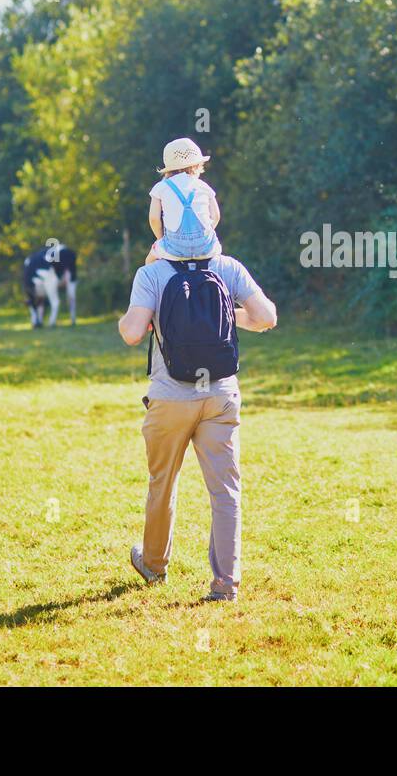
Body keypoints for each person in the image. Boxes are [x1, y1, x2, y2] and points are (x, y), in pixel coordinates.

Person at [117, 247, 277, 602]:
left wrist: (132, 317)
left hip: (171, 398)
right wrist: (221, 315)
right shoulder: (227, 267)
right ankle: (225, 584)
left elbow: (131, 333)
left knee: (163, 482)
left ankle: (155, 565)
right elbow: (266, 317)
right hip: (220, 395)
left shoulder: (153, 274)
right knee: (225, 490)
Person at [145, 137, 221, 265]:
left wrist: (161, 239)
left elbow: (154, 219)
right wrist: (202, 235)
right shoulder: (203, 186)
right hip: (206, 248)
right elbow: (216, 216)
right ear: (197, 166)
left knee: (149, 262)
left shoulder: (161, 187)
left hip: (174, 249)